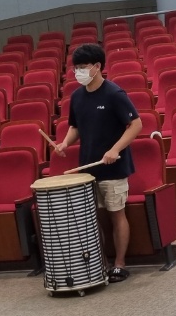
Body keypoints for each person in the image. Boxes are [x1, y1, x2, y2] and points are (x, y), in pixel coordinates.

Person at [54, 43, 142, 283]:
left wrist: (115, 149)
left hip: (114, 168)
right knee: (95, 218)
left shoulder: (114, 94)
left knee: (116, 215)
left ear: (97, 66)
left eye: (82, 67)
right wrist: (64, 144)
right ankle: (100, 264)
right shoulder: (76, 97)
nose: (78, 72)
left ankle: (120, 264)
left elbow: (136, 124)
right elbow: (75, 127)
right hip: (88, 168)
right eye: (75, 68)